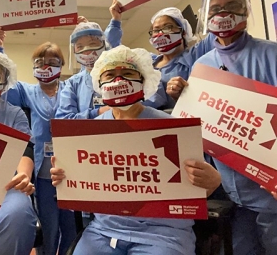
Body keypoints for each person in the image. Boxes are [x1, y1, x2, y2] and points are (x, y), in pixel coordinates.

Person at [51, 45, 221, 255]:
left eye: (128, 74)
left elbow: (196, 187)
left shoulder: (174, 128)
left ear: (143, 81)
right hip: (104, 230)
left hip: (163, 233)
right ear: (99, 84)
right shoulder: (90, 132)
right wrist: (65, 177)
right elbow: (84, 183)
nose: (118, 81)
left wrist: (212, 182)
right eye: (110, 75)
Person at [187, 0, 277, 255]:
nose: (223, 15)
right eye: (215, 9)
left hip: (270, 191)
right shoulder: (202, 66)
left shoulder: (271, 55)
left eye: (232, 7)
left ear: (246, 11)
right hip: (229, 193)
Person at [5, 42, 77, 255]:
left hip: (71, 170)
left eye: (52, 63)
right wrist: (0, 49)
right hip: (44, 173)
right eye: (40, 62)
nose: (46, 67)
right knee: (49, 227)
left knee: (70, 227)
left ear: (61, 66)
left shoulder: (70, 88)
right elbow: (5, 87)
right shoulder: (27, 91)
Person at [0, 50, 37, 255]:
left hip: (5, 185)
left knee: (18, 215)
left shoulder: (14, 114)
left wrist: (23, 176)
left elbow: (26, 147)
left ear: (5, 84)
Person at [55, 21, 112, 119]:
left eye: (92, 44)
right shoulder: (73, 84)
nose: (87, 51)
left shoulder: (121, 75)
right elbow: (64, 121)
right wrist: (97, 113)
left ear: (104, 45)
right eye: (80, 46)